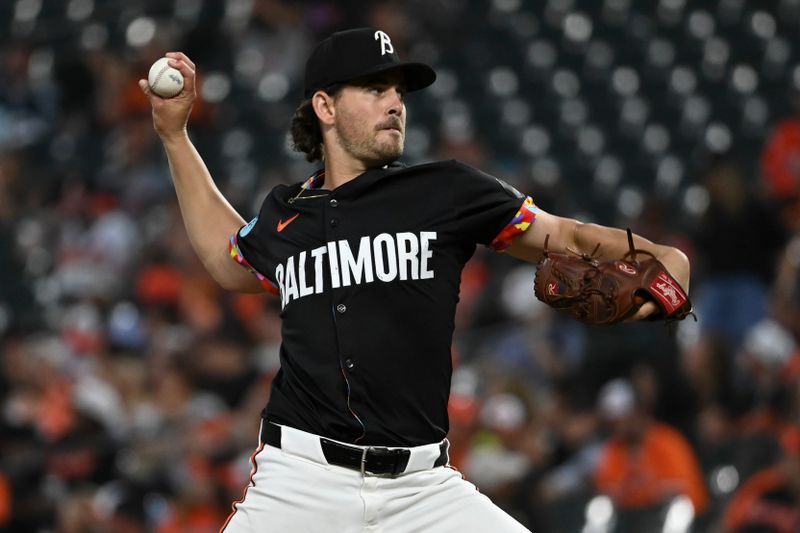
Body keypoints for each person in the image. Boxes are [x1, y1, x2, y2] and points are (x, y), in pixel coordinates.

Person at [139, 27, 690, 533]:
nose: (396, 102)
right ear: (325, 106)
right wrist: (175, 136)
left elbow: (563, 235)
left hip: (422, 488)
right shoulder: (288, 213)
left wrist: (665, 258)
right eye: (375, 89)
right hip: (300, 482)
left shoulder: (446, 191)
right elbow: (225, 257)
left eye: (398, 91)